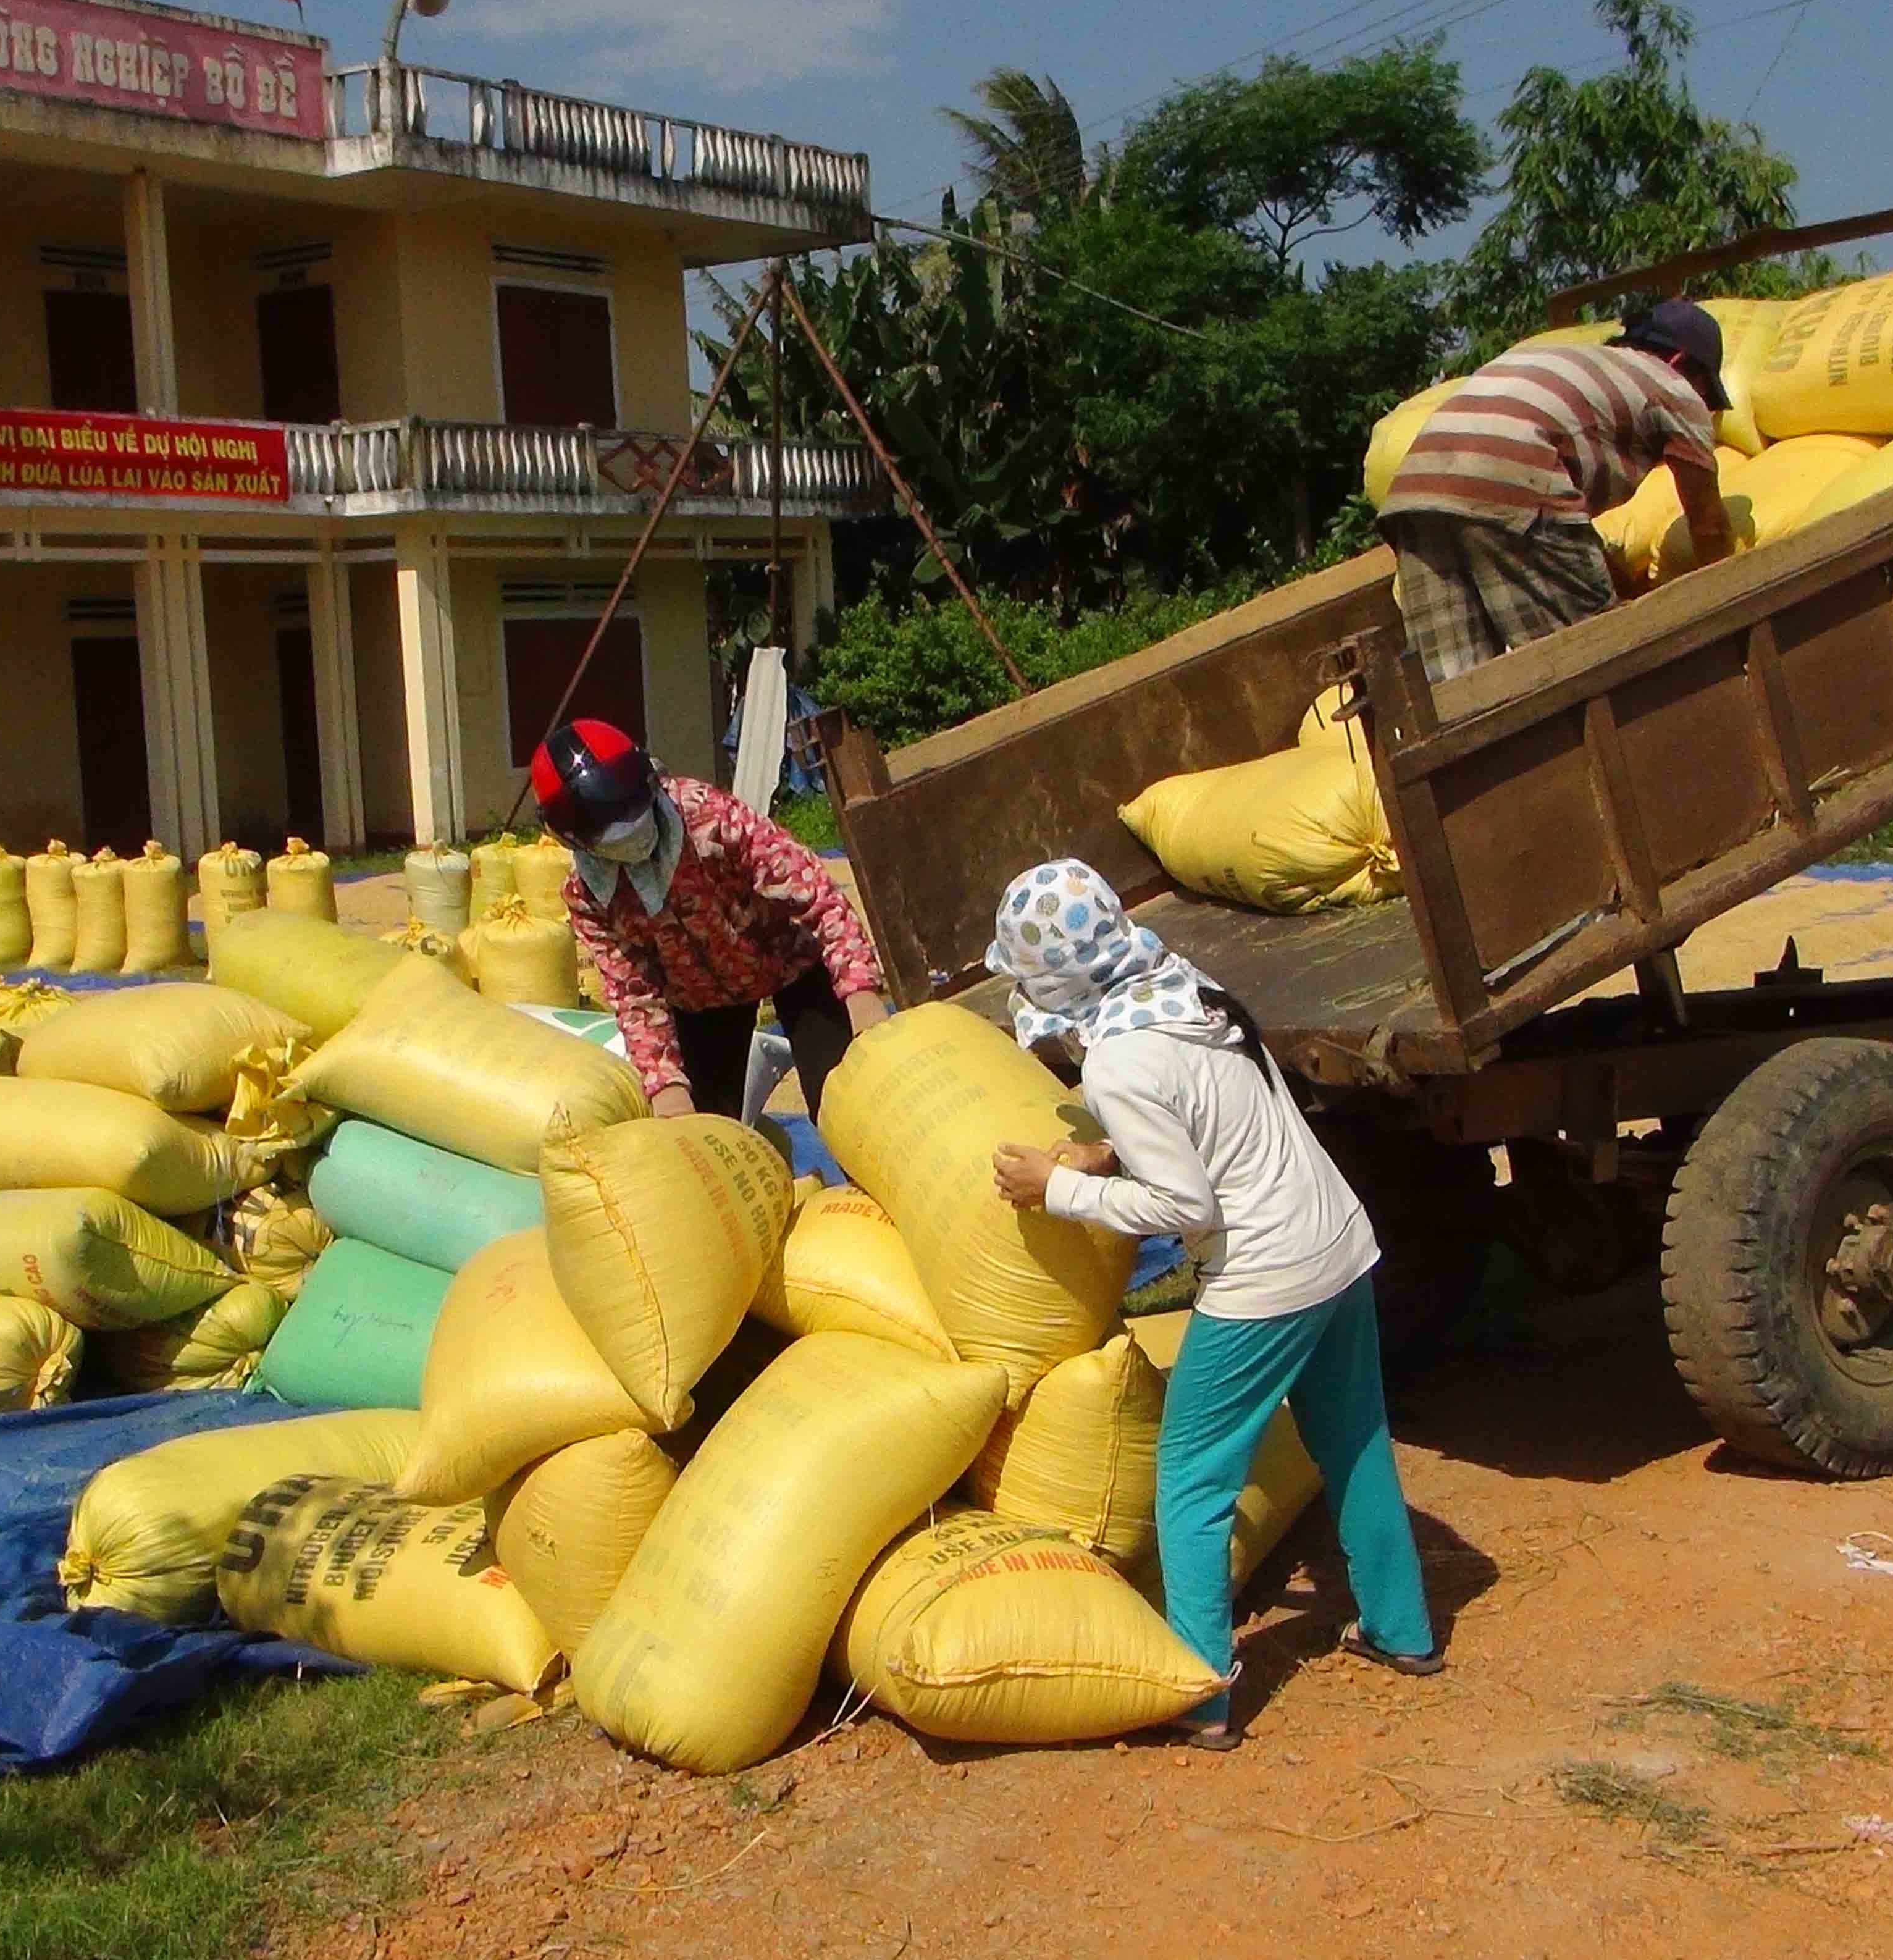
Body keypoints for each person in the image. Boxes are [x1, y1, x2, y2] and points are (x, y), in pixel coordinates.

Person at [983, 859, 1438, 1751]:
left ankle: (1198, 1693)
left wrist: (1059, 1190)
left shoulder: (1115, 1059)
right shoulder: (1184, 987)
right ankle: (1404, 1629)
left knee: (1191, 1481)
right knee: (1354, 1441)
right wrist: (1111, 1155)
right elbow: (1208, 1111)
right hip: (1337, 1243)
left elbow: (1188, 1209)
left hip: (1266, 1278)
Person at [531, 717, 888, 1121]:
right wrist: (664, 1084)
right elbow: (633, 992)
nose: (626, 829)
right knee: (710, 1136)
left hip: (792, 960)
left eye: (630, 810)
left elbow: (816, 893)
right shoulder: (590, 897)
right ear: (570, 836)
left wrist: (861, 993)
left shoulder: (708, 819)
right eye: (605, 828)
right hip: (701, 1002)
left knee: (844, 1104)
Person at [1380, 297, 1740, 685]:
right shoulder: (1674, 388)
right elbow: (1708, 528)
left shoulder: (1578, 366)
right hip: (1515, 476)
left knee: (1456, 692)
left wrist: (1614, 584)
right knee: (1593, 668)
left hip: (1416, 487)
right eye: (1707, 393)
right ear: (1681, 362)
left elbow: (1560, 547)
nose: (1705, 406)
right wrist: (1731, 621)